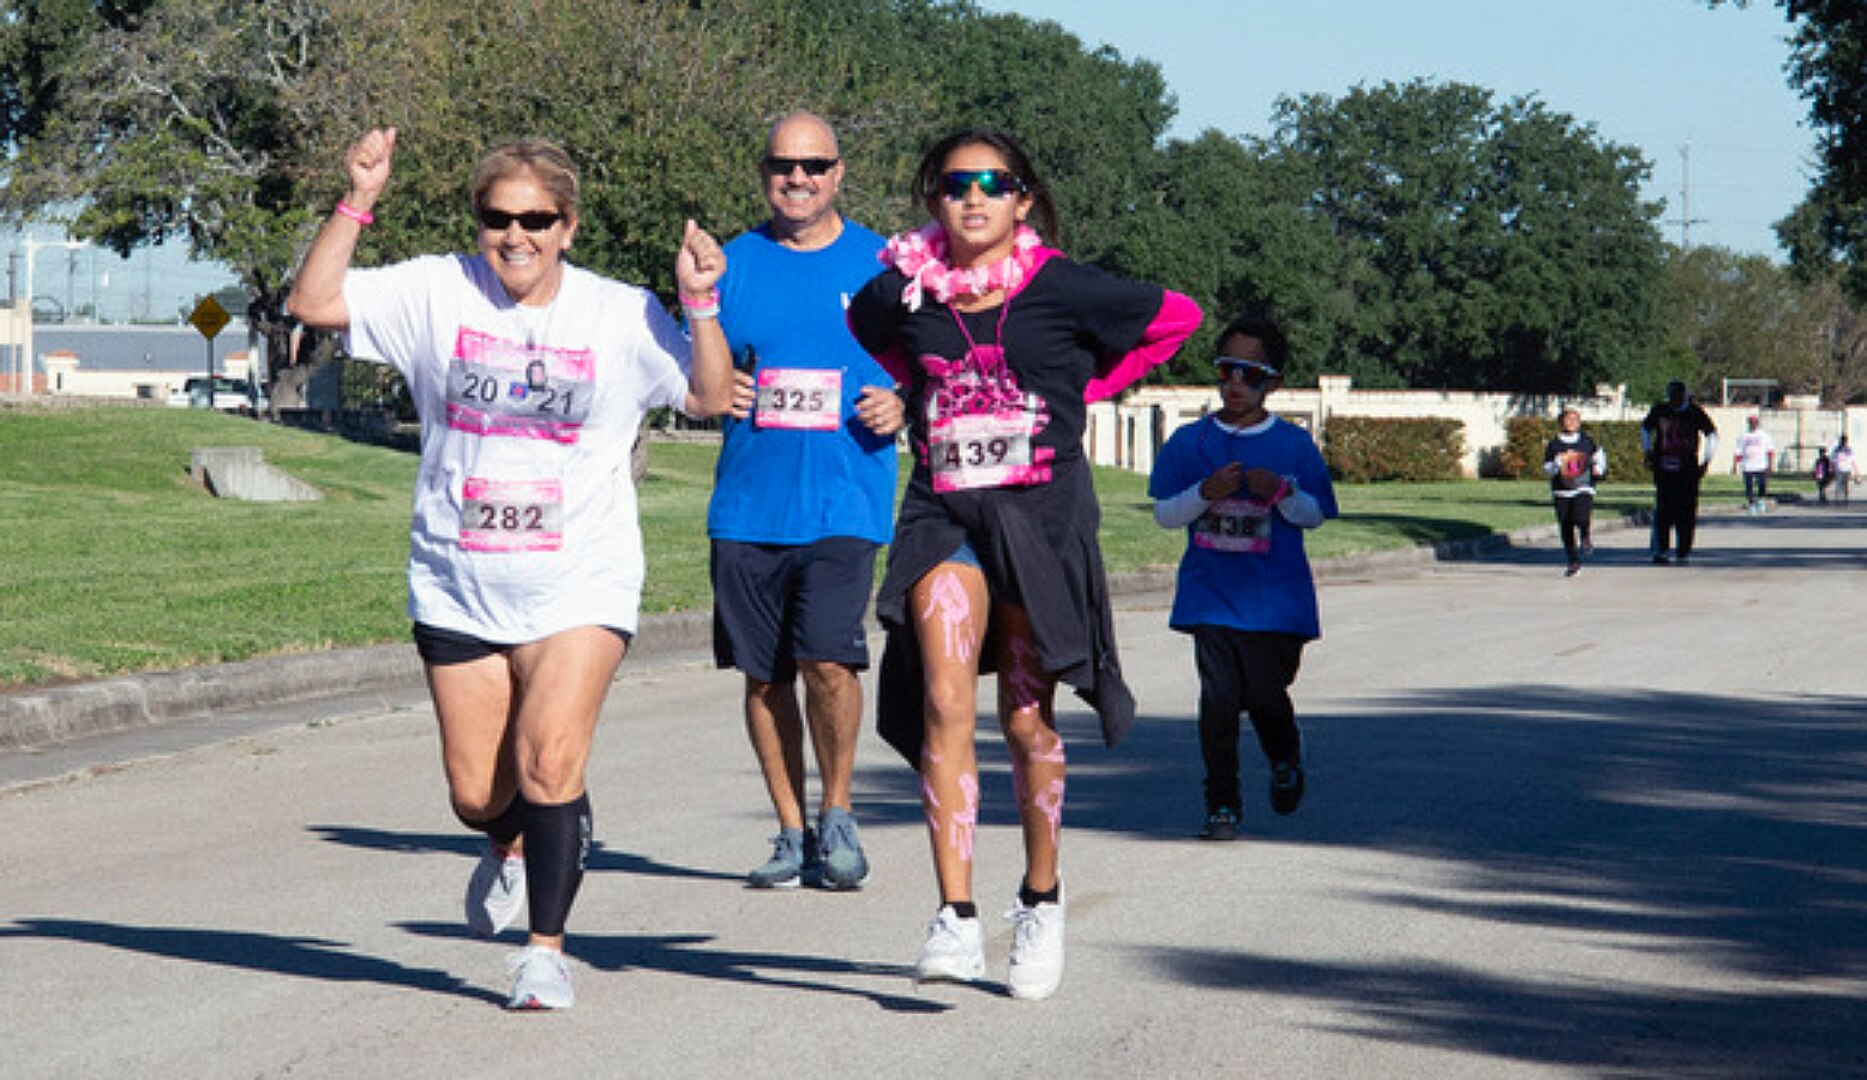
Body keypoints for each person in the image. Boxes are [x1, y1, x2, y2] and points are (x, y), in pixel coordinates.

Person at [286, 128, 732, 1010]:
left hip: (580, 577)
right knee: (476, 792)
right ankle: (513, 840)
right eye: (497, 218)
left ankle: (544, 952)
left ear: (568, 225)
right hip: (458, 574)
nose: (515, 236)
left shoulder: (618, 312)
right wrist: (359, 197)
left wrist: (699, 304)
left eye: (536, 219)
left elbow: (710, 397)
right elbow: (314, 302)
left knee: (549, 765)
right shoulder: (434, 289)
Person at [847, 129, 1201, 1001]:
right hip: (945, 513)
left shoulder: (1062, 286)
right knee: (941, 694)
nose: (972, 197)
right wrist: (914, 392)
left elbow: (1176, 319)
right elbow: (865, 327)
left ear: (1023, 200)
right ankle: (955, 917)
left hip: (1040, 518)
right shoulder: (905, 289)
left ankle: (1039, 897)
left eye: (992, 183)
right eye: (953, 183)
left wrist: (1090, 385)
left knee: (1025, 718)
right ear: (933, 200)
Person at [708, 112, 902, 890]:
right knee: (763, 676)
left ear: (838, 172)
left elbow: (930, 359)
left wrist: (905, 400)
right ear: (764, 172)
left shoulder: (885, 262)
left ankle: (840, 814)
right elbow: (693, 373)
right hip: (749, 503)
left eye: (813, 166)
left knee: (827, 657)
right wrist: (717, 388)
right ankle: (790, 830)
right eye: (782, 165)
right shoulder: (729, 263)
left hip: (844, 497)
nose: (797, 178)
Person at [1147, 313, 1336, 842]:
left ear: (1272, 383)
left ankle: (1284, 755)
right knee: (1220, 700)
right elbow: (1166, 514)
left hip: (1276, 601)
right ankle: (1222, 803)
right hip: (1212, 596)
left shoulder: (1293, 447)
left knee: (1264, 693)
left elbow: (1315, 515)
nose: (1234, 383)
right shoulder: (1190, 443)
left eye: (1249, 374)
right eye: (1227, 370)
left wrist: (1279, 492)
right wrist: (1203, 494)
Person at [1640, 380, 1718, 565]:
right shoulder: (1660, 410)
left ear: (1683, 395)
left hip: (1687, 468)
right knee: (1663, 510)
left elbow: (1712, 434)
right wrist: (1648, 451)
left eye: (1677, 395)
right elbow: (1645, 428)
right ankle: (1662, 550)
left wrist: (1706, 460)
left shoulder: (1694, 412)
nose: (1673, 400)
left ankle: (1683, 552)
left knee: (1686, 511)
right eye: (1671, 395)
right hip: (1663, 466)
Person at [1544, 407, 1607, 576]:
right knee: (1566, 525)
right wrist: (1557, 464)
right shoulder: (1554, 444)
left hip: (1583, 486)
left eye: (1575, 420)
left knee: (1581, 516)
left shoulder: (1587, 441)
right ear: (1561, 422)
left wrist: (1598, 469)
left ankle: (1585, 536)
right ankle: (1573, 561)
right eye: (1568, 419)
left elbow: (1599, 457)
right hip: (1562, 490)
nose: (1571, 423)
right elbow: (1547, 467)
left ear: (1579, 422)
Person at [1731, 415, 1776, 515]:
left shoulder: (1764, 436)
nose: (1753, 424)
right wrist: (1735, 465)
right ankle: (1751, 504)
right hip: (1747, 465)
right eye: (1751, 422)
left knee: (1762, 484)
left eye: (1755, 422)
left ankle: (1761, 500)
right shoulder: (1743, 436)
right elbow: (1738, 451)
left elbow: (1770, 451)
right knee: (1749, 486)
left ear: (1758, 424)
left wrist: (1770, 464)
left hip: (1761, 464)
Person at [1832, 435, 1856, 506]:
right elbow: (1833, 459)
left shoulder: (1849, 450)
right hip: (1839, 469)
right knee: (1838, 485)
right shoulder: (1836, 449)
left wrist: (1855, 471)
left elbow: (1852, 460)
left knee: (1845, 485)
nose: (1844, 442)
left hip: (1846, 469)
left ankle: (1845, 499)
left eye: (1845, 441)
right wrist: (1833, 468)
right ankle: (1838, 499)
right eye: (1843, 441)